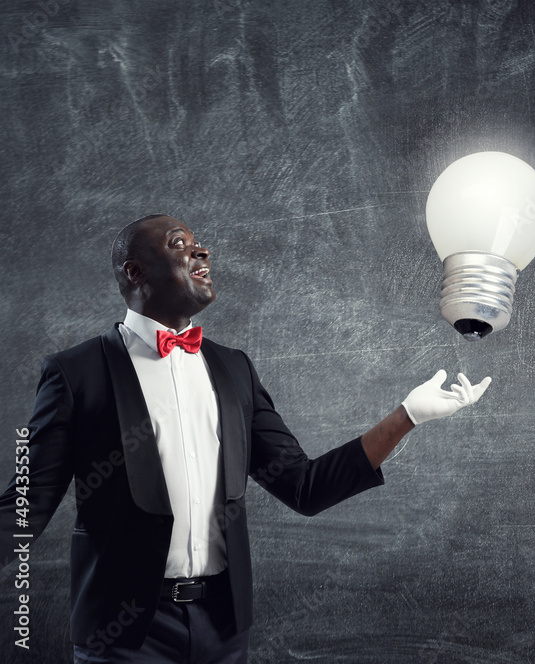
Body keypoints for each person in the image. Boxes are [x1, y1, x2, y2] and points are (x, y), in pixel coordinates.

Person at [0, 214, 491, 662]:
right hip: (123, 636)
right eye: (179, 245)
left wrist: (407, 416)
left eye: (199, 244)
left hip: (223, 628)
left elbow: (304, 487)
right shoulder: (75, 373)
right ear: (135, 272)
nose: (202, 252)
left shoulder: (233, 368)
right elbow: (26, 505)